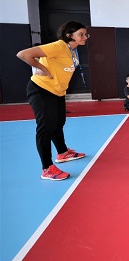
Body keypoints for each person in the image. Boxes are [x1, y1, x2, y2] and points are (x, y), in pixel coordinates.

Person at [16, 21, 88, 181]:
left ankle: (62, 153)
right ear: (69, 35)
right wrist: (42, 69)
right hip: (41, 90)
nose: (85, 37)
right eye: (81, 34)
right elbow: (23, 54)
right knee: (45, 128)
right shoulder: (59, 46)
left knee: (58, 122)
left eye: (85, 34)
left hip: (57, 91)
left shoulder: (73, 50)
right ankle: (47, 168)